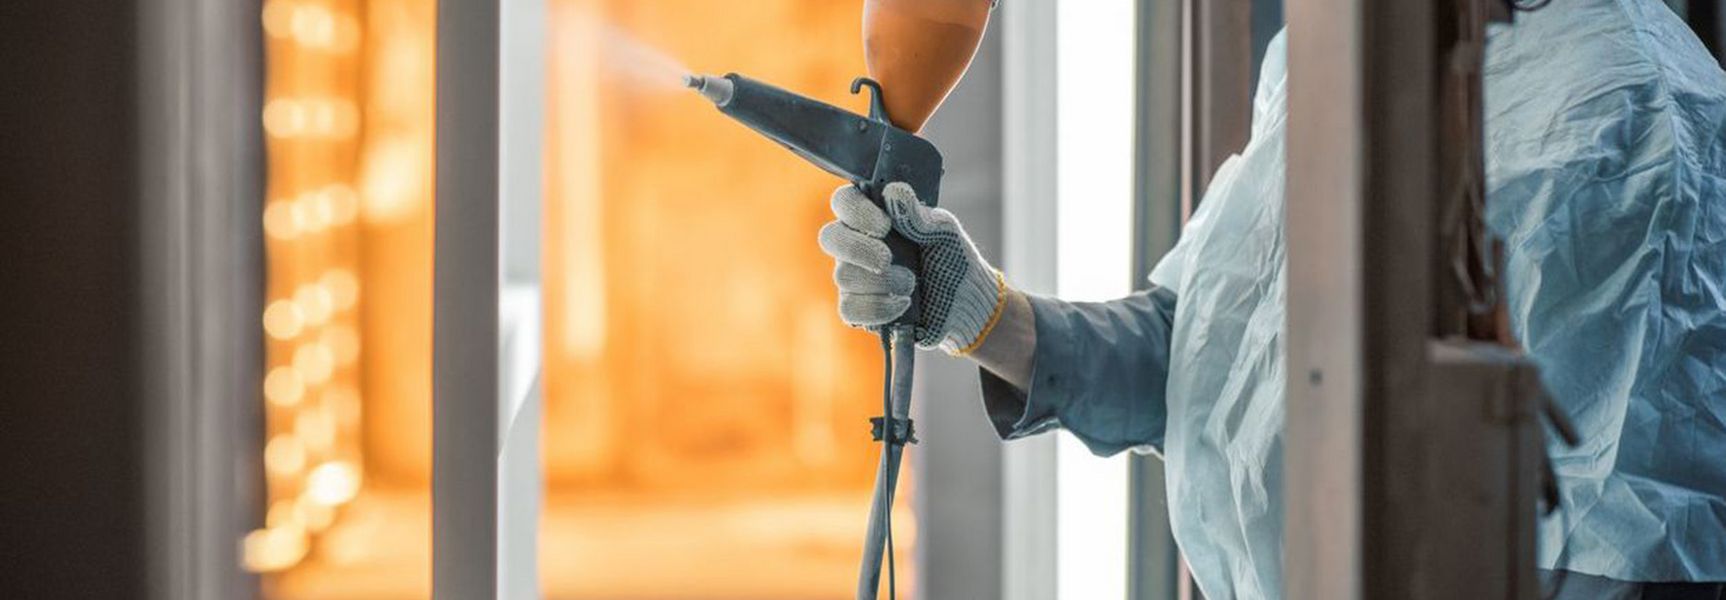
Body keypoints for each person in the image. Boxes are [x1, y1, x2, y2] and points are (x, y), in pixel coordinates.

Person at [817, 0, 1726, 597]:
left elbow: (1616, 540)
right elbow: (1210, 349)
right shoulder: (1349, 53)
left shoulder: (1634, 116)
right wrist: (981, 313)